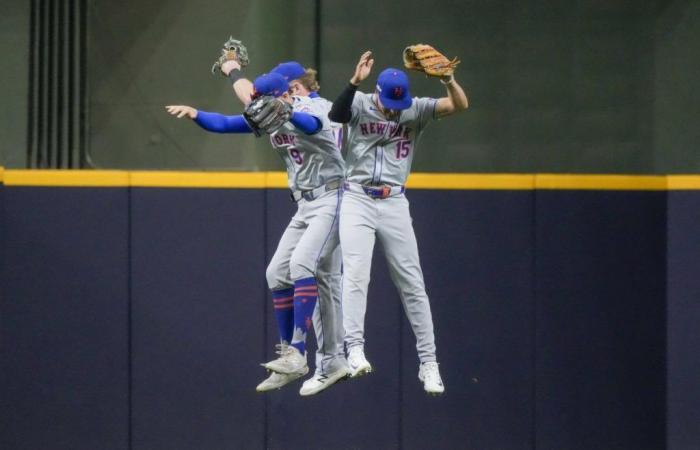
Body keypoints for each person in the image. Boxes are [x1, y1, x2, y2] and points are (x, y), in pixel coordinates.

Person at [166, 71, 348, 396]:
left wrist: (288, 111)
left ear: (286, 93)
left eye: (265, 101)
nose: (259, 107)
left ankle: (299, 351)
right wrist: (196, 114)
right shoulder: (269, 111)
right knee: (276, 272)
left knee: (303, 265)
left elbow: (311, 126)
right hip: (305, 204)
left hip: (332, 197)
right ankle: (288, 355)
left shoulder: (314, 108)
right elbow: (223, 124)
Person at [328, 50, 469, 395]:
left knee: (412, 283)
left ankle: (429, 363)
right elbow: (337, 113)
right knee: (356, 274)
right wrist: (352, 82)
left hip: (393, 201)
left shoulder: (415, 107)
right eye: (390, 101)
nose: (394, 108)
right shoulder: (360, 101)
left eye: (398, 102)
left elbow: (459, 106)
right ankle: (355, 349)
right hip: (358, 197)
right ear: (377, 92)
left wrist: (449, 81)